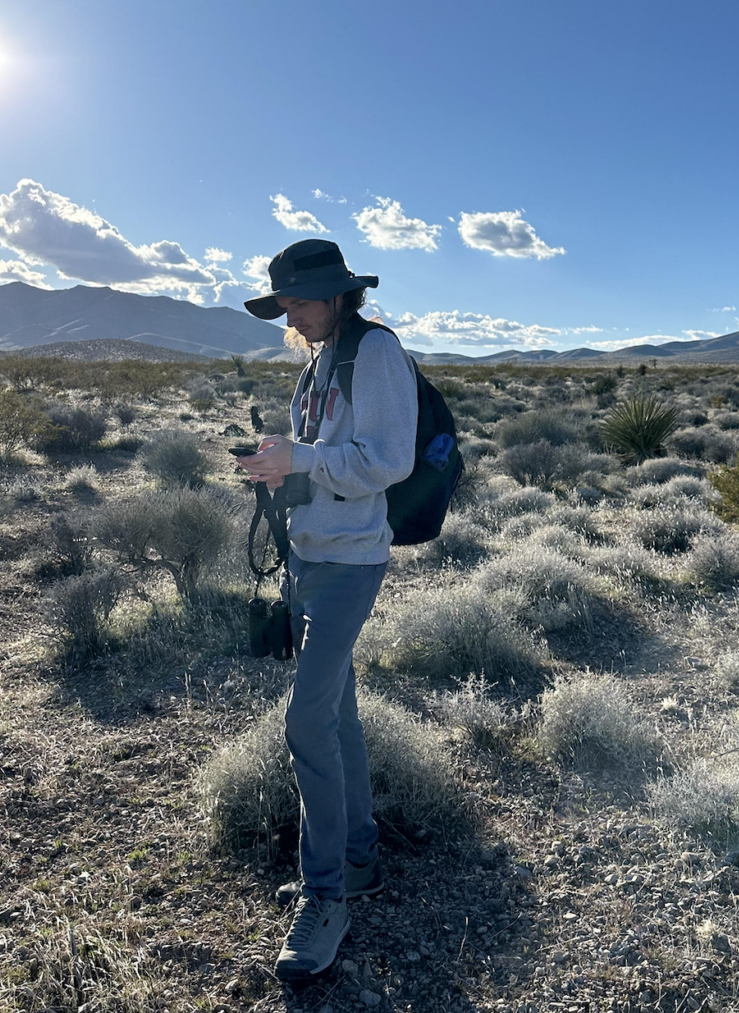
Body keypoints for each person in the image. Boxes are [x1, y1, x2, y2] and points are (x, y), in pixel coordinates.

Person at [239, 239, 418, 981]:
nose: (292, 314)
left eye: (302, 301)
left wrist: (303, 460)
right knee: (336, 713)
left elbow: (387, 460)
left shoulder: (373, 353)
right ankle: (358, 859)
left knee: (306, 720)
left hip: (350, 565)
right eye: (284, 302)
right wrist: (277, 465)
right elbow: (321, 459)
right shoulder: (317, 360)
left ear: (339, 295)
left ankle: (326, 900)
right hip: (309, 559)